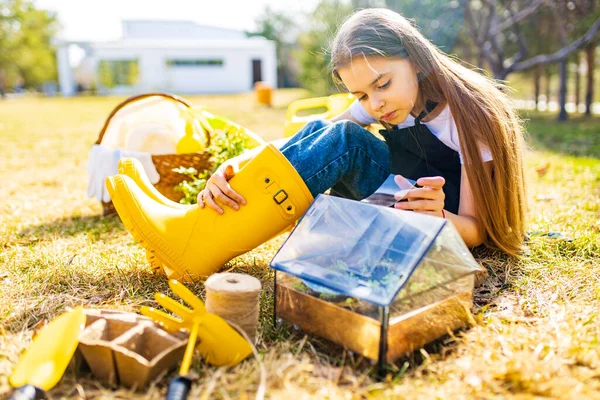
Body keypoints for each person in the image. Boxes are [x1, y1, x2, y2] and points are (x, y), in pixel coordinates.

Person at [107, 8, 526, 281]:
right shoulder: (389, 101)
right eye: (361, 96)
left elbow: (479, 230)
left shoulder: (472, 117)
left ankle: (200, 244)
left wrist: (438, 216)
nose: (375, 104)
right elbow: (311, 137)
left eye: (382, 85)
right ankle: (197, 228)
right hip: (395, 202)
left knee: (346, 139)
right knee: (331, 134)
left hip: (436, 223)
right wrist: (239, 161)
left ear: (416, 61)